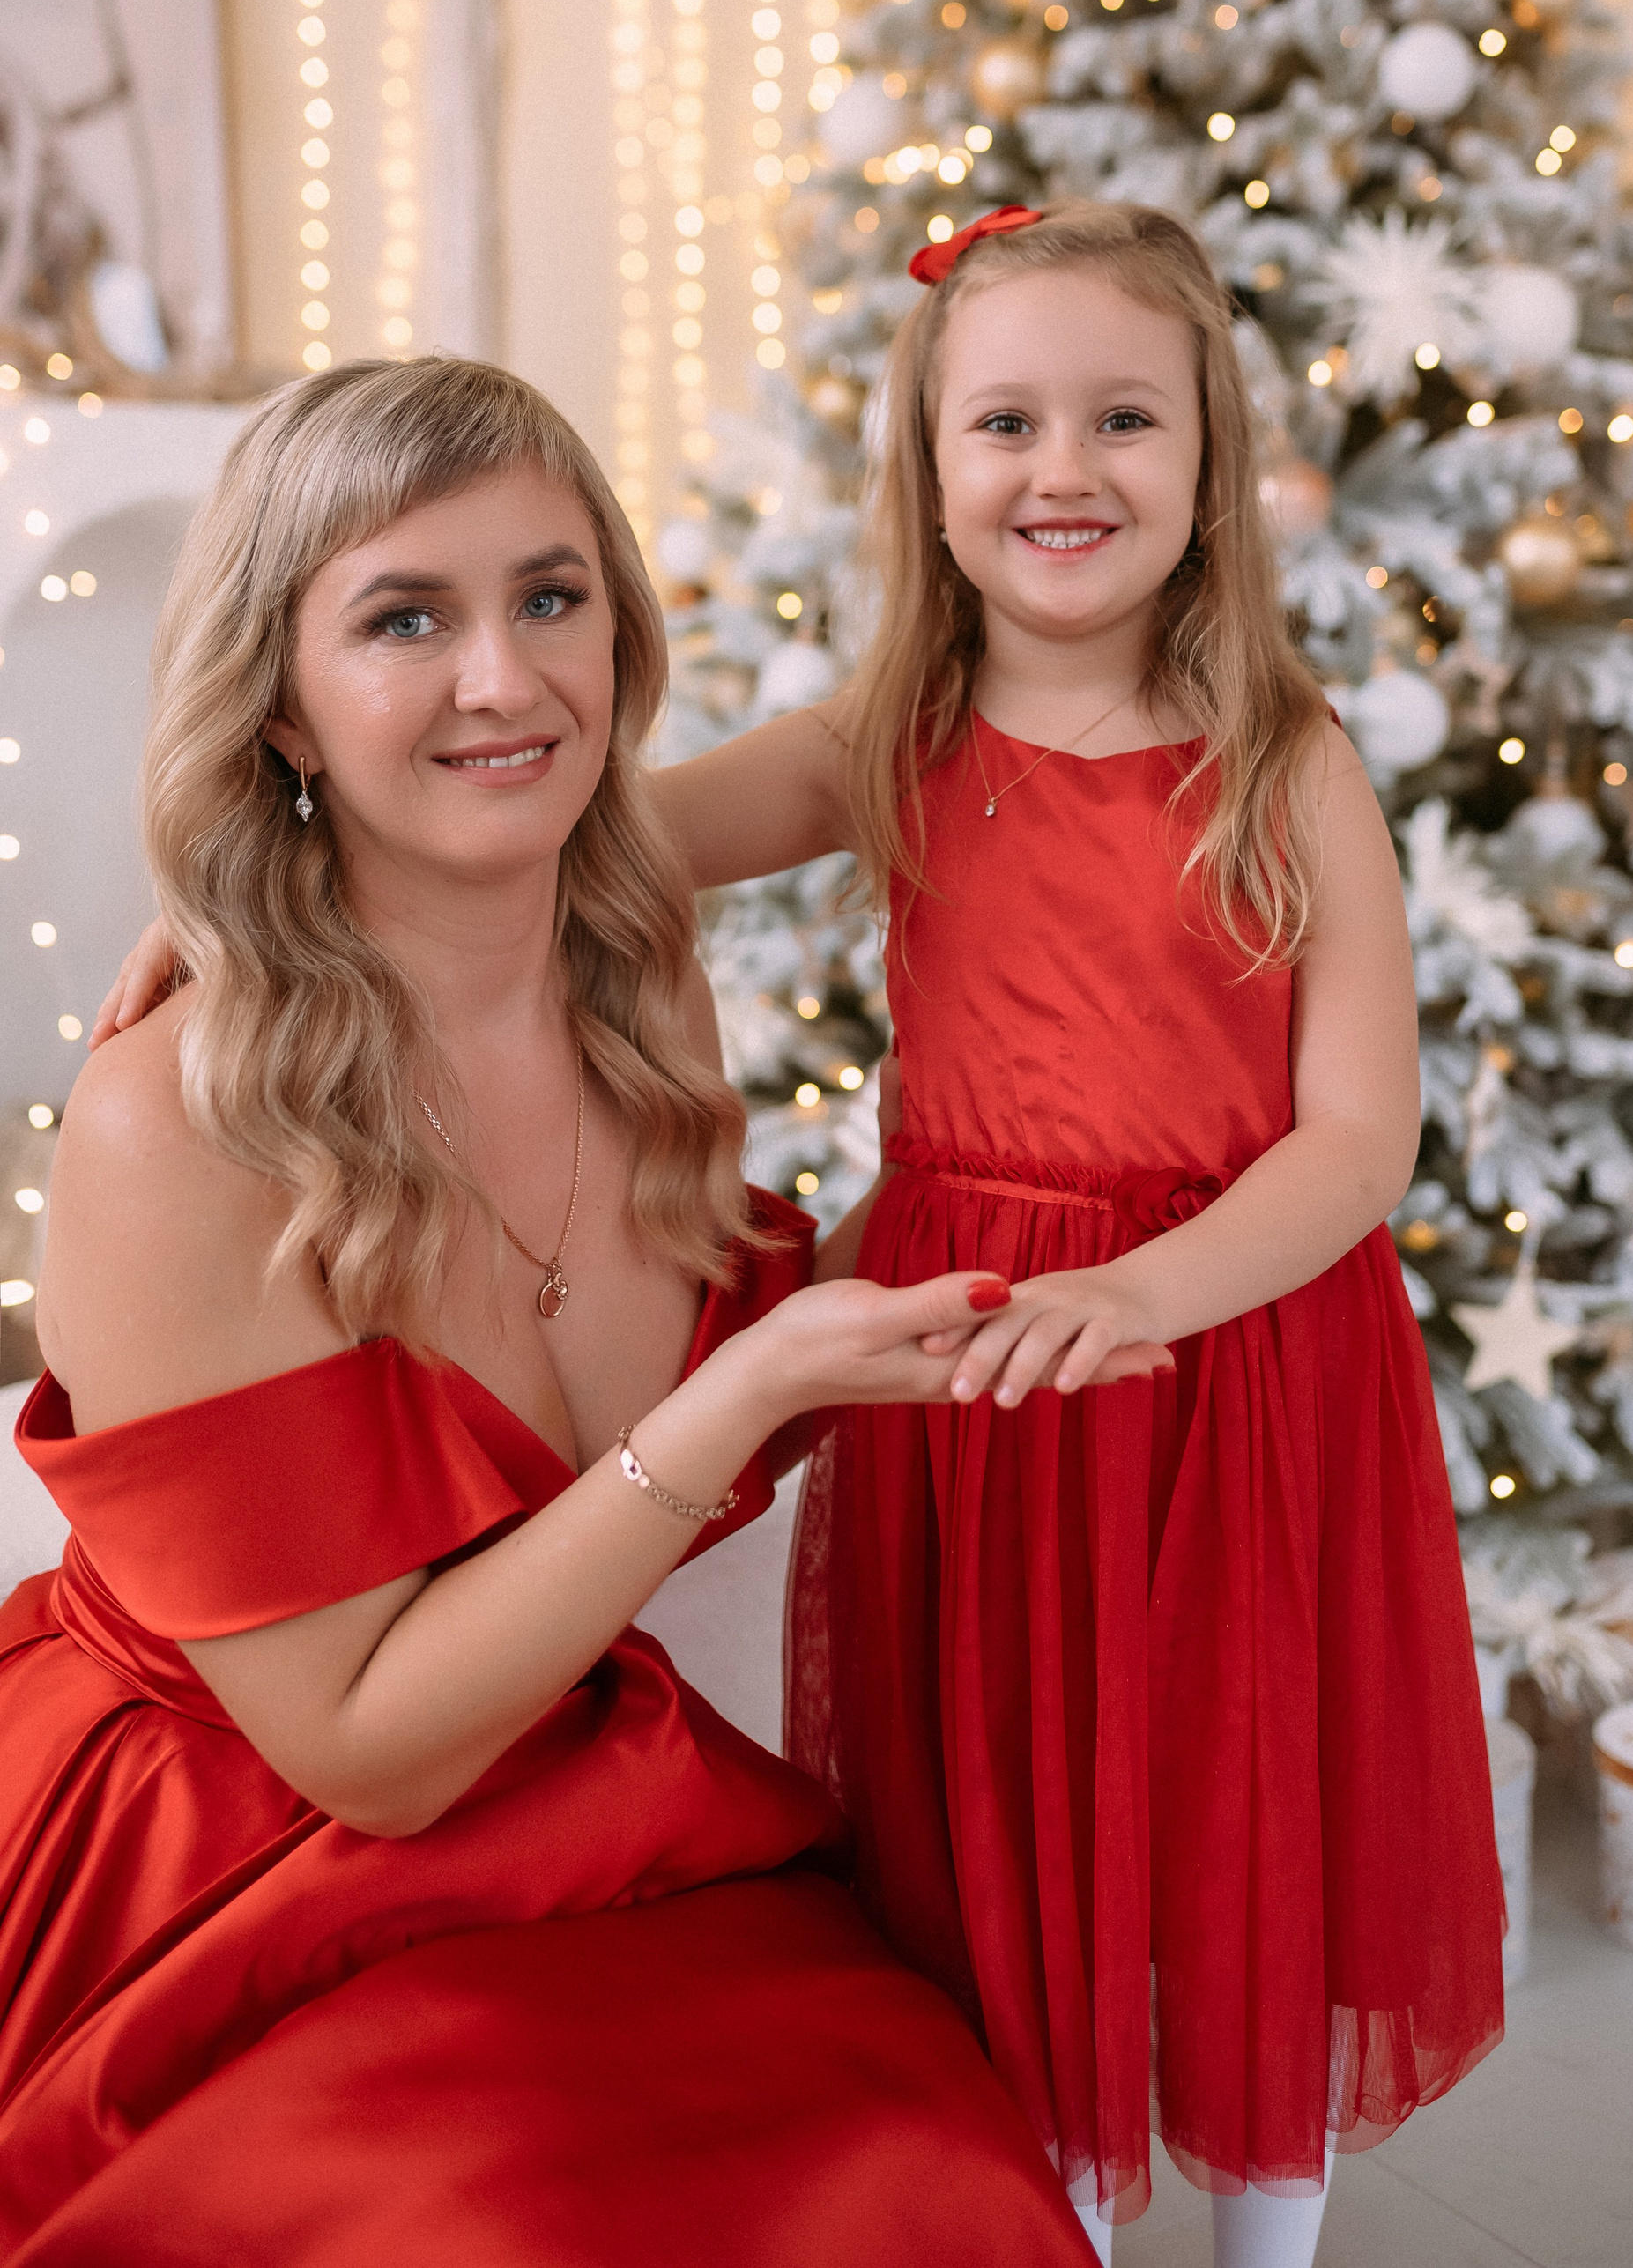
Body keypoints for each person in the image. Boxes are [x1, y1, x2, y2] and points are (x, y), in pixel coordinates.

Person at [93, 204, 1508, 2266]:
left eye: (1126, 419)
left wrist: (1146, 1287)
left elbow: (1358, 1134)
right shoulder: (892, 739)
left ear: (1214, 459)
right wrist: (241, 893)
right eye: (1005, 422)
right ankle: (1052, 2197)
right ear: (926, 471)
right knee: (1008, 1811)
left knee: (1239, 1808)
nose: (1065, 469)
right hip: (974, 1375)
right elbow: (566, 827)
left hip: (1229, 1366)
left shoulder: (1283, 763)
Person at [0, 358, 1095, 2267]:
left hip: (583, 1791)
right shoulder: (175, 1121)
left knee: (930, 2166)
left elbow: (738, 1366)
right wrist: (742, 1397)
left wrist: (1054, 1160)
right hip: (227, 1871)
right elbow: (367, 1751)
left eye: (550, 596)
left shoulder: (633, 986)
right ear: (278, 701)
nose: (503, 678)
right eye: (405, 619)